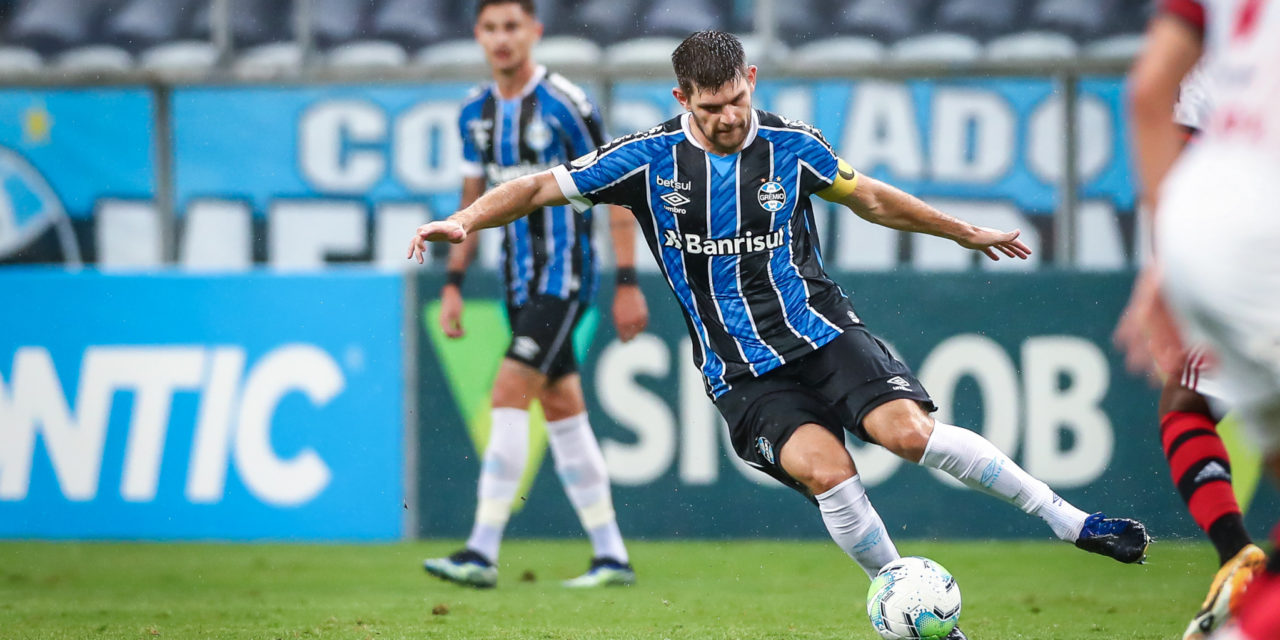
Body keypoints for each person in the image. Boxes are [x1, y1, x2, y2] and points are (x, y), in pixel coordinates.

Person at [412, 31, 1150, 633]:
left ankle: (1069, 521)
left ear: (752, 80)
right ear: (682, 100)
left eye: (736, 99)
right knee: (829, 472)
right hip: (741, 373)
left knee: (909, 434)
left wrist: (960, 231)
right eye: (710, 108)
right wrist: (465, 219)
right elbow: (541, 185)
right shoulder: (648, 157)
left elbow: (872, 199)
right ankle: (917, 614)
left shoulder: (794, 147)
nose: (728, 117)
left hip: (824, 334)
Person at [420, 0, 649, 590]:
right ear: (477, 35)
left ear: (534, 33)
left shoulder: (569, 106)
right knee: (564, 411)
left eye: (512, 27)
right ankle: (612, 556)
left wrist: (626, 283)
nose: (501, 39)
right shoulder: (474, 112)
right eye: (491, 28)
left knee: (508, 386)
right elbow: (470, 204)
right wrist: (452, 283)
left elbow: (620, 192)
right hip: (516, 283)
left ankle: (481, 549)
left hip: (565, 277)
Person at [1118, 0, 1280, 638]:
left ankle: (1240, 564)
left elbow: (1149, 95)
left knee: (1185, 399)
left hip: (1215, 236)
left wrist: (1166, 260)